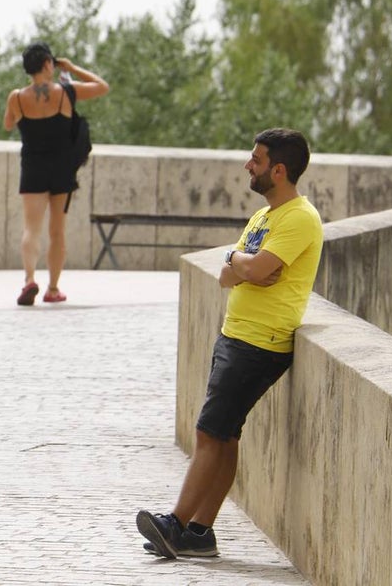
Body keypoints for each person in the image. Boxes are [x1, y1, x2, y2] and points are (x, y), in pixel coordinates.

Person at [135, 127, 324, 559]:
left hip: (260, 342)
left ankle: (175, 524)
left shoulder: (299, 218)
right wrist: (241, 263)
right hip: (236, 334)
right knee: (224, 437)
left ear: (279, 170)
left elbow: (257, 272)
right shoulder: (264, 217)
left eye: (256, 160)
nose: (248, 165)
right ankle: (201, 533)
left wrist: (245, 267)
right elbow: (231, 273)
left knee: (208, 432)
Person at [3, 42, 109, 305]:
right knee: (57, 231)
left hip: (33, 168)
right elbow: (102, 86)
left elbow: (7, 124)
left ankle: (29, 280)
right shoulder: (65, 93)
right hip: (62, 169)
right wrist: (71, 67)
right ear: (49, 64)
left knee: (31, 228)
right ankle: (52, 289)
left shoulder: (16, 97)